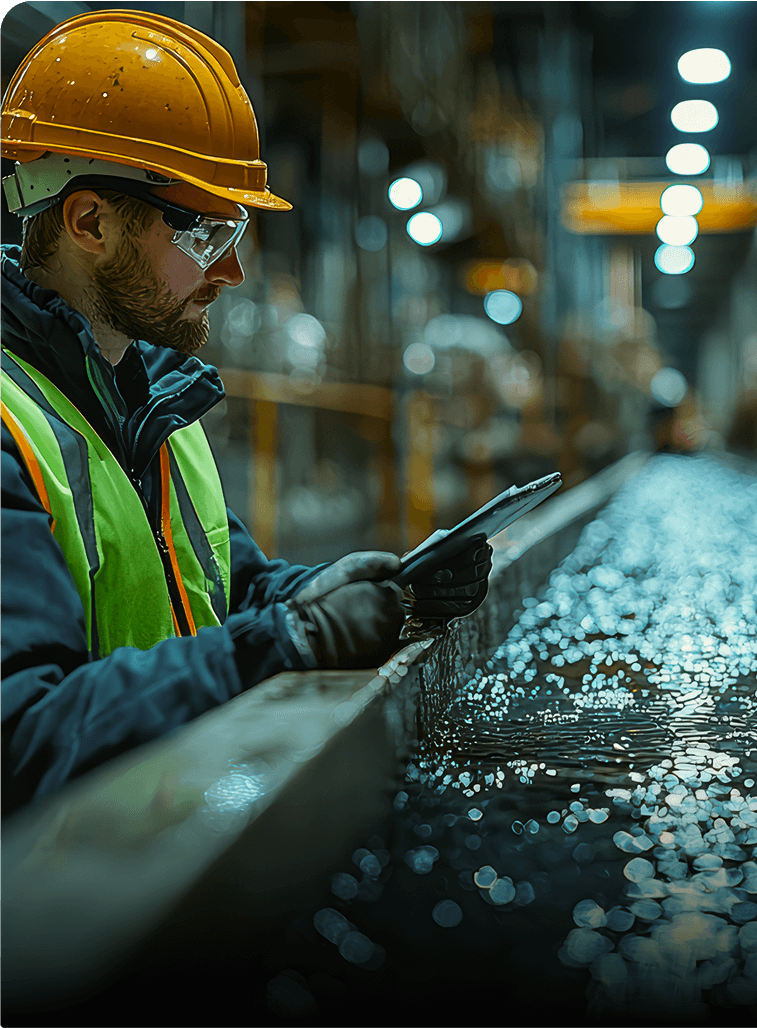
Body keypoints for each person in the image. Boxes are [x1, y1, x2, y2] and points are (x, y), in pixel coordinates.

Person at [1, 10, 492, 817]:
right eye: (204, 232)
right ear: (89, 221)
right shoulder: (9, 423)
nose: (231, 270)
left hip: (162, 837)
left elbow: (228, 592)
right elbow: (23, 737)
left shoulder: (154, 404)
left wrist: (367, 591)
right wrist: (283, 644)